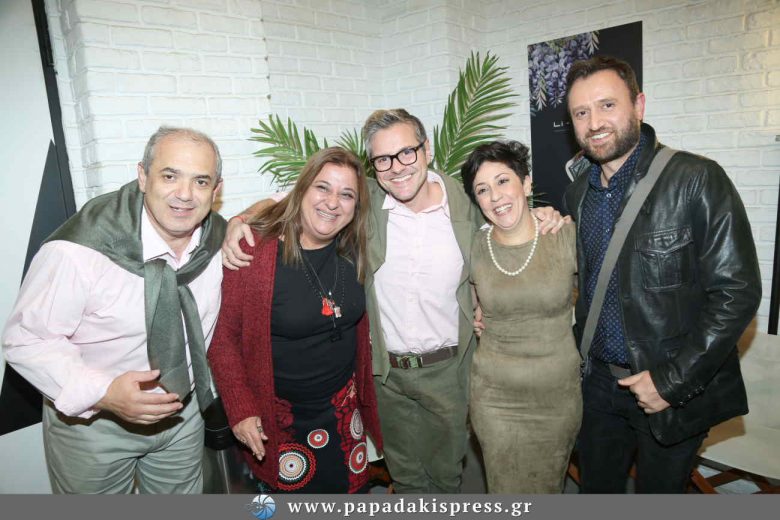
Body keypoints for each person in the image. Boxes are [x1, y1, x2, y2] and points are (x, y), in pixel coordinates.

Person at [222, 109, 566, 493]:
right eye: (383, 159)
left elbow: (505, 218)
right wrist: (239, 220)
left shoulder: (465, 202)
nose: (397, 167)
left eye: (406, 152)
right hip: (385, 376)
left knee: (446, 477)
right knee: (405, 478)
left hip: (448, 372)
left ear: (426, 149)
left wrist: (544, 215)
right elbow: (291, 199)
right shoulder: (362, 198)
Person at [563, 55, 761, 493]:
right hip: (597, 386)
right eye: (581, 112)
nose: (594, 123)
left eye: (607, 105)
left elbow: (738, 292)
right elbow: (589, 283)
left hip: (667, 389)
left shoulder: (695, 179)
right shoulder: (578, 194)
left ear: (639, 105)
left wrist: (670, 382)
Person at [2, 126, 225, 493]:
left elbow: (297, 210)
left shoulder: (219, 241)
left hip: (182, 418)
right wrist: (104, 392)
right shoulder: (79, 250)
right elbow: (27, 340)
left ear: (216, 191)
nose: (185, 194)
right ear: (143, 176)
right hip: (93, 425)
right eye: (170, 176)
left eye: (201, 181)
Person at [207, 147, 382, 493]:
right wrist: (241, 409)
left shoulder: (354, 250)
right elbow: (222, 336)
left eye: (346, 194)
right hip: (282, 422)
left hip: (344, 415)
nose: (332, 203)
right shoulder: (254, 250)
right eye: (322, 188)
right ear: (301, 190)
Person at [460, 140, 582, 493]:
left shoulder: (565, 236)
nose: (495, 196)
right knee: (504, 489)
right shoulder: (474, 247)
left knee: (548, 487)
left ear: (526, 184)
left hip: (556, 397)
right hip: (495, 398)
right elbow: (465, 304)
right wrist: (476, 313)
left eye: (503, 181)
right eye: (482, 189)